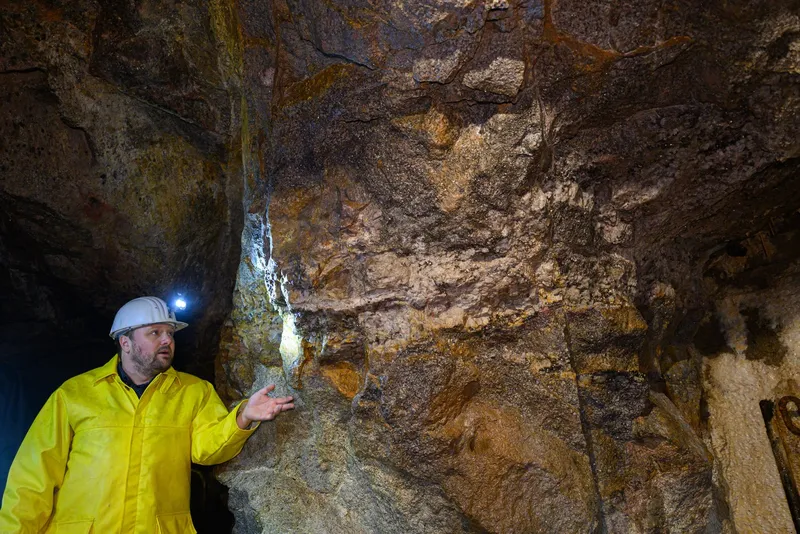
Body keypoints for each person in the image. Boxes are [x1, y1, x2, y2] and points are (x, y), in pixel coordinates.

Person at [0, 296, 294, 533]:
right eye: (155, 333)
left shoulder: (193, 392)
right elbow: (33, 476)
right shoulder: (75, 394)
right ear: (125, 342)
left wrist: (243, 416)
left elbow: (206, 450)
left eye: (170, 333)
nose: (167, 340)